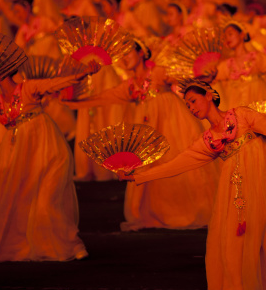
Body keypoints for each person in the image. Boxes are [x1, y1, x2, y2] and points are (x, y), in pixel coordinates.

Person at [118, 79, 266, 290]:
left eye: (193, 101)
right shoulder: (208, 140)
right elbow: (177, 164)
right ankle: (245, 284)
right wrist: (137, 176)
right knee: (239, 236)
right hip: (240, 189)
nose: (191, 108)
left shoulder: (241, 115)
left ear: (209, 95)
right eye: (187, 105)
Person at [63, 40, 219, 230]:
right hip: (147, 127)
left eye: (129, 53)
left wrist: (205, 76)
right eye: (123, 55)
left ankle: (188, 207)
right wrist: (72, 101)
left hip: (172, 122)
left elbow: (185, 78)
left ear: (141, 53)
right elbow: (103, 98)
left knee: (174, 159)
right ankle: (156, 211)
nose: (125, 58)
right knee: (149, 164)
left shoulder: (158, 73)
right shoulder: (129, 86)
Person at [0, 55, 100, 263]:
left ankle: (66, 243)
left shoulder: (27, 88)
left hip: (45, 146)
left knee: (47, 195)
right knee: (14, 197)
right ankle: (21, 243)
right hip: (14, 151)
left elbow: (56, 83)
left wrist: (84, 73)